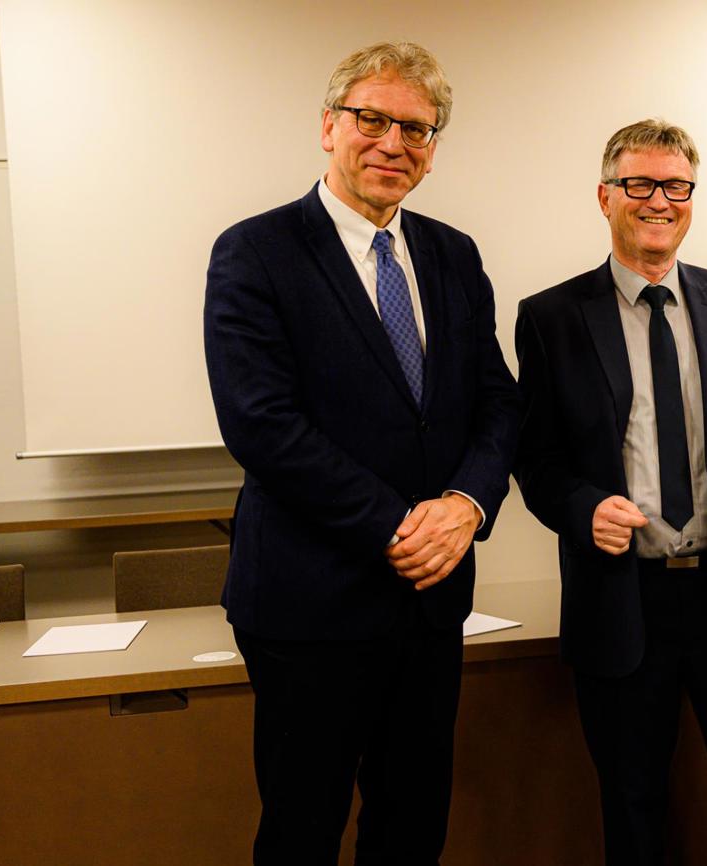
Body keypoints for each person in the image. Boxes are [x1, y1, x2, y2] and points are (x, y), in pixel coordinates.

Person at [203, 41, 520, 865]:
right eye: (371, 119)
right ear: (328, 126)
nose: (392, 143)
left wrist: (466, 507)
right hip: (310, 605)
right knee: (303, 828)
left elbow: (496, 401)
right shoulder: (256, 251)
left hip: (431, 602)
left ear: (433, 149)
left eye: (415, 129)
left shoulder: (453, 254)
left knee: (413, 823)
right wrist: (399, 526)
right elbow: (261, 424)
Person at [514, 119, 707, 866]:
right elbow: (535, 460)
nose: (659, 201)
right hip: (623, 600)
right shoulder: (550, 319)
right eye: (639, 184)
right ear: (605, 197)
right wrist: (583, 509)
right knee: (634, 812)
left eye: (676, 186)